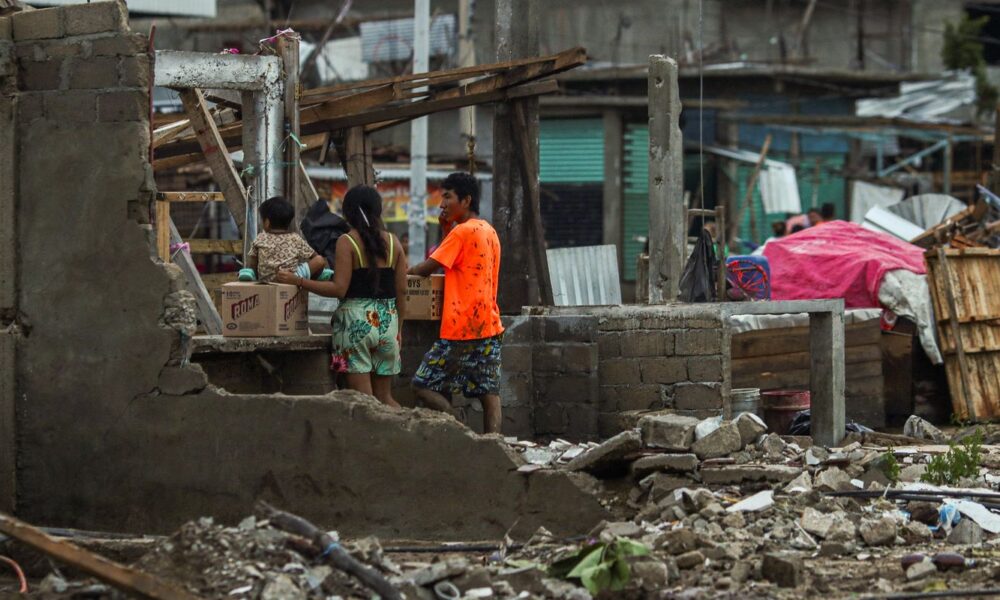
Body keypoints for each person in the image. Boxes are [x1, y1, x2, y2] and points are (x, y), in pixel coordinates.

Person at [277, 186, 407, 409]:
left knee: (365, 404)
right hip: (389, 324)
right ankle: (406, 436)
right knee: (385, 399)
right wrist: (399, 330)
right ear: (378, 210)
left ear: (348, 213)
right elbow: (402, 291)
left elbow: (339, 289)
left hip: (355, 325)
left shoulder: (347, 242)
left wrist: (298, 281)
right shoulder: (394, 242)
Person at [408, 172, 505, 433]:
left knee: (421, 385)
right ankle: (494, 444)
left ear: (466, 200)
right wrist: (445, 230)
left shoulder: (461, 232)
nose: (442, 204)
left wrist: (401, 275)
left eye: (447, 197)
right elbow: (456, 260)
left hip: (460, 327)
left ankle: (456, 423)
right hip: (488, 324)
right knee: (489, 393)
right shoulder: (489, 231)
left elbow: (427, 268)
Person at [240, 196, 331, 283]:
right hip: (292, 279)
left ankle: (247, 273)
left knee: (250, 270)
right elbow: (314, 256)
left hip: (265, 280)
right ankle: (316, 278)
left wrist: (255, 275)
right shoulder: (295, 238)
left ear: (267, 222)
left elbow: (253, 263)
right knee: (319, 260)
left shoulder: (260, 238)